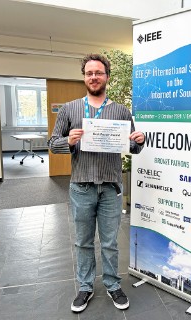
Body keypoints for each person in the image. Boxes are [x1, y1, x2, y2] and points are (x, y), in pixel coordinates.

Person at [48, 53, 145, 313]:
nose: (94, 77)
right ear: (84, 77)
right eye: (89, 73)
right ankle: (85, 287)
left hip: (111, 187)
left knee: (111, 241)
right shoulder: (70, 109)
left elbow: (133, 148)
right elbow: (52, 144)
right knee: (83, 241)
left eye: (98, 73)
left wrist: (140, 140)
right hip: (81, 186)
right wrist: (67, 141)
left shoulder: (121, 111)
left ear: (107, 77)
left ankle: (113, 285)